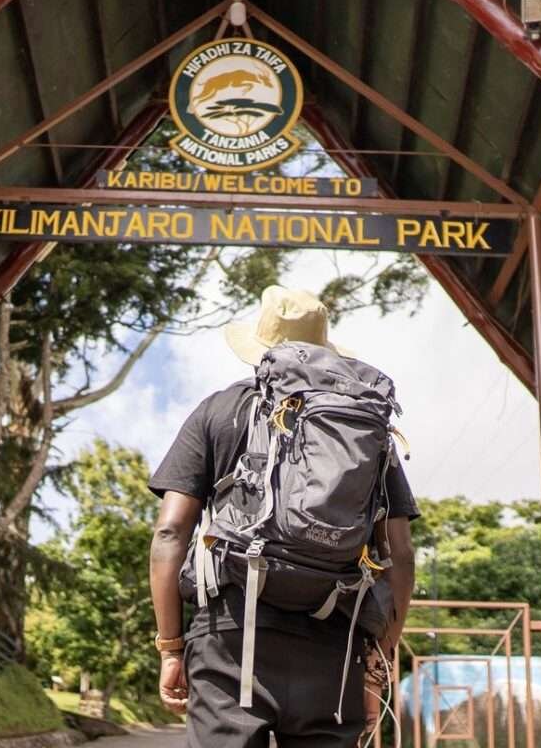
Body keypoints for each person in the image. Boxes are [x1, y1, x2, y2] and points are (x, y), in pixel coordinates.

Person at [149, 285, 418, 747]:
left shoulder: (220, 410)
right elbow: (402, 556)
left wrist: (171, 647)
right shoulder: (363, 427)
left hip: (229, 641)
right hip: (333, 643)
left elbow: (171, 533)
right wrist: (377, 667)